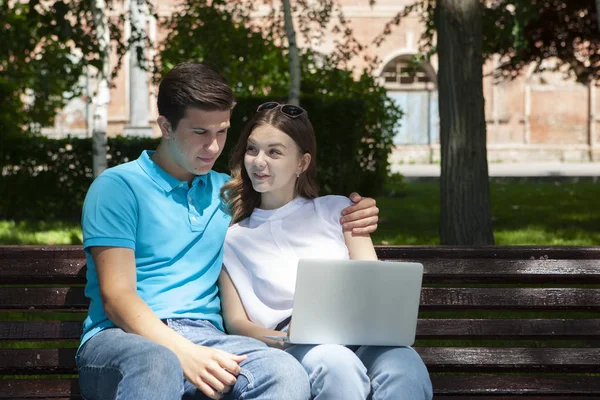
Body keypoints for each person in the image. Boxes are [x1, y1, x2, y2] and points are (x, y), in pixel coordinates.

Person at [76, 61, 380, 400]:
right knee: (157, 362)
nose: (213, 146)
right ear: (165, 126)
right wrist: (183, 352)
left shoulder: (228, 193)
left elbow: (289, 206)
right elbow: (117, 298)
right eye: (200, 133)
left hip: (209, 337)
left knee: (284, 372)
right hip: (122, 338)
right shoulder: (118, 187)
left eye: (222, 132)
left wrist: (358, 209)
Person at [219, 102, 433, 400]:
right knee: (336, 364)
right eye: (252, 149)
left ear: (302, 163)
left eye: (274, 152)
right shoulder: (233, 238)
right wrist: (287, 340)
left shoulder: (338, 210)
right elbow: (237, 322)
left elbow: (371, 282)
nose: (258, 161)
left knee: (403, 365)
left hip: (359, 337)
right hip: (294, 348)